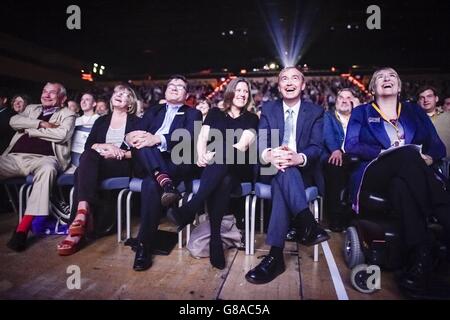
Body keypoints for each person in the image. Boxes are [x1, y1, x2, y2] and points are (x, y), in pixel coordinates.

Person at [344, 67, 450, 294]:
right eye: (380, 77)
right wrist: (385, 153)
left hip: (409, 175)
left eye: (392, 76)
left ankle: (420, 257)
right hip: (375, 170)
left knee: (401, 184)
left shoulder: (414, 111)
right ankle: (445, 214)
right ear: (372, 88)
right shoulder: (361, 112)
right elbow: (351, 145)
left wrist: (430, 158)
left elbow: (437, 145)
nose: (386, 79)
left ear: (400, 86)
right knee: (407, 154)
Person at [245, 67, 329, 284]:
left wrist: (298, 158)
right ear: (279, 86)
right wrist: (269, 154)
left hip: (301, 170)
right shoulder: (269, 108)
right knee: (283, 168)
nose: (289, 82)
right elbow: (262, 139)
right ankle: (307, 223)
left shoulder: (316, 112)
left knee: (286, 172)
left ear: (302, 85)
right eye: (284, 79)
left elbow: (316, 147)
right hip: (271, 166)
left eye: (294, 78)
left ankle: (275, 256)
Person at [168, 78, 259, 269]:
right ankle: (215, 241)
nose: (242, 94)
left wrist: (214, 152)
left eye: (246, 91)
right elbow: (202, 136)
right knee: (222, 180)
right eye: (239, 90)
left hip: (238, 168)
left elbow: (241, 146)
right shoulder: (216, 112)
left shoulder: (252, 118)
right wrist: (201, 155)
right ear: (230, 92)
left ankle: (192, 207)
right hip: (215, 169)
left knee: (226, 163)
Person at [125, 75, 202, 271]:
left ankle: (144, 245)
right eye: (171, 85)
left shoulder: (193, 114)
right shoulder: (154, 110)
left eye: (180, 86)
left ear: (186, 94)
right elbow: (136, 133)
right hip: (147, 160)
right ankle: (167, 185)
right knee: (142, 144)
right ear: (165, 90)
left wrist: (157, 139)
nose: (175, 88)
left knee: (151, 184)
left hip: (175, 161)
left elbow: (188, 138)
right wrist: (131, 136)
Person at [57, 85, 139, 255]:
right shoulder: (101, 121)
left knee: (82, 170)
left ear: (130, 103)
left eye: (125, 94)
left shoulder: (137, 122)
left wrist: (121, 153)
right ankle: (83, 213)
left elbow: (140, 152)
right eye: (118, 92)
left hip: (121, 164)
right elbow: (90, 146)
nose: (120, 95)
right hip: (98, 162)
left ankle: (78, 221)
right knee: (88, 156)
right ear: (112, 98)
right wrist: (107, 146)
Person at [1, 82, 75, 251]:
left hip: (45, 159)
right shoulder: (32, 109)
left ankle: (22, 230)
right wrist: (41, 124)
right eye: (44, 91)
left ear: (62, 98)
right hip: (14, 157)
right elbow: (14, 120)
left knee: (48, 169)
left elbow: (61, 134)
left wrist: (30, 130)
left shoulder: (68, 114)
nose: (46, 95)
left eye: (52, 93)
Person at [322, 88, 360, 232]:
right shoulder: (328, 116)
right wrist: (335, 149)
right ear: (336, 101)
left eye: (348, 98)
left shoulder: (359, 117)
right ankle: (336, 217)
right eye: (341, 98)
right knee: (335, 168)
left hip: (356, 156)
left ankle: (355, 217)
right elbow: (327, 135)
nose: (344, 101)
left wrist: (358, 111)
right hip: (335, 154)